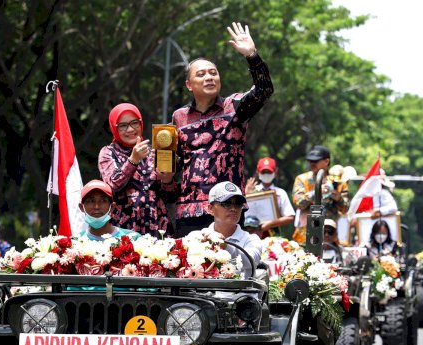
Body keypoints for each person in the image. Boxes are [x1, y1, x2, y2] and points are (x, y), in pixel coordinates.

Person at [172, 22, 274, 237]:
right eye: (201, 74)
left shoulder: (234, 106)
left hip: (229, 209)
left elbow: (264, 90)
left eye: (213, 73)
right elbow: (174, 161)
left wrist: (252, 55)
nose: (209, 77)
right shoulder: (179, 117)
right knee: (189, 269)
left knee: (228, 267)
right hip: (189, 211)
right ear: (189, 84)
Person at [98, 103, 177, 236]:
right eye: (123, 126)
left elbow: (171, 197)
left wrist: (167, 181)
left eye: (134, 123)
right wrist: (133, 160)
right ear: (114, 128)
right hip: (123, 230)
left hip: (157, 230)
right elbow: (112, 185)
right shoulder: (108, 152)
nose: (130, 130)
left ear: (141, 123)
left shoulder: (155, 152)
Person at [292, 145, 349, 244]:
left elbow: (346, 210)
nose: (312, 163)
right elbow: (298, 203)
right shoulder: (302, 179)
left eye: (316, 161)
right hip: (305, 236)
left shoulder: (338, 183)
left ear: (326, 161)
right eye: (310, 161)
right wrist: (316, 192)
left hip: (329, 236)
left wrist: (338, 198)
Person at [202, 181, 261, 276]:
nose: (233, 209)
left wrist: (225, 246)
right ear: (210, 209)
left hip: (241, 291)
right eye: (226, 203)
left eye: (238, 204)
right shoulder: (197, 237)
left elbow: (250, 260)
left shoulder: (251, 239)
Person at [245, 157, 294, 236]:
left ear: (275, 172)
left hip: (273, 236)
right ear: (258, 172)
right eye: (264, 172)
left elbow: (290, 217)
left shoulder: (280, 193)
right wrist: (246, 195)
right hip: (250, 234)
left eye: (269, 172)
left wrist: (271, 223)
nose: (266, 174)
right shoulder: (251, 191)